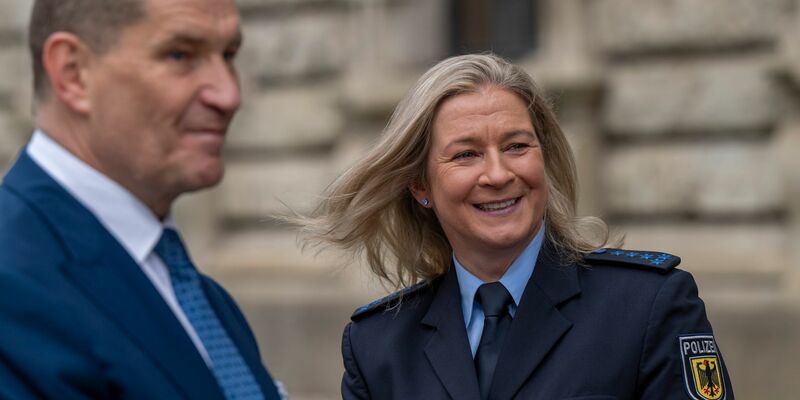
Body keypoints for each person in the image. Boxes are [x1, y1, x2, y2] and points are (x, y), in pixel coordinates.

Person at [298, 54, 734, 399]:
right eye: (466, 154)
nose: (498, 174)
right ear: (419, 185)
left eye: (517, 146)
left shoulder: (648, 306)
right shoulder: (379, 347)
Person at [0, 0, 283, 399]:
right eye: (180, 55)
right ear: (73, 73)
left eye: (228, 55)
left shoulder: (191, 290)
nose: (229, 94)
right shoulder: (14, 288)